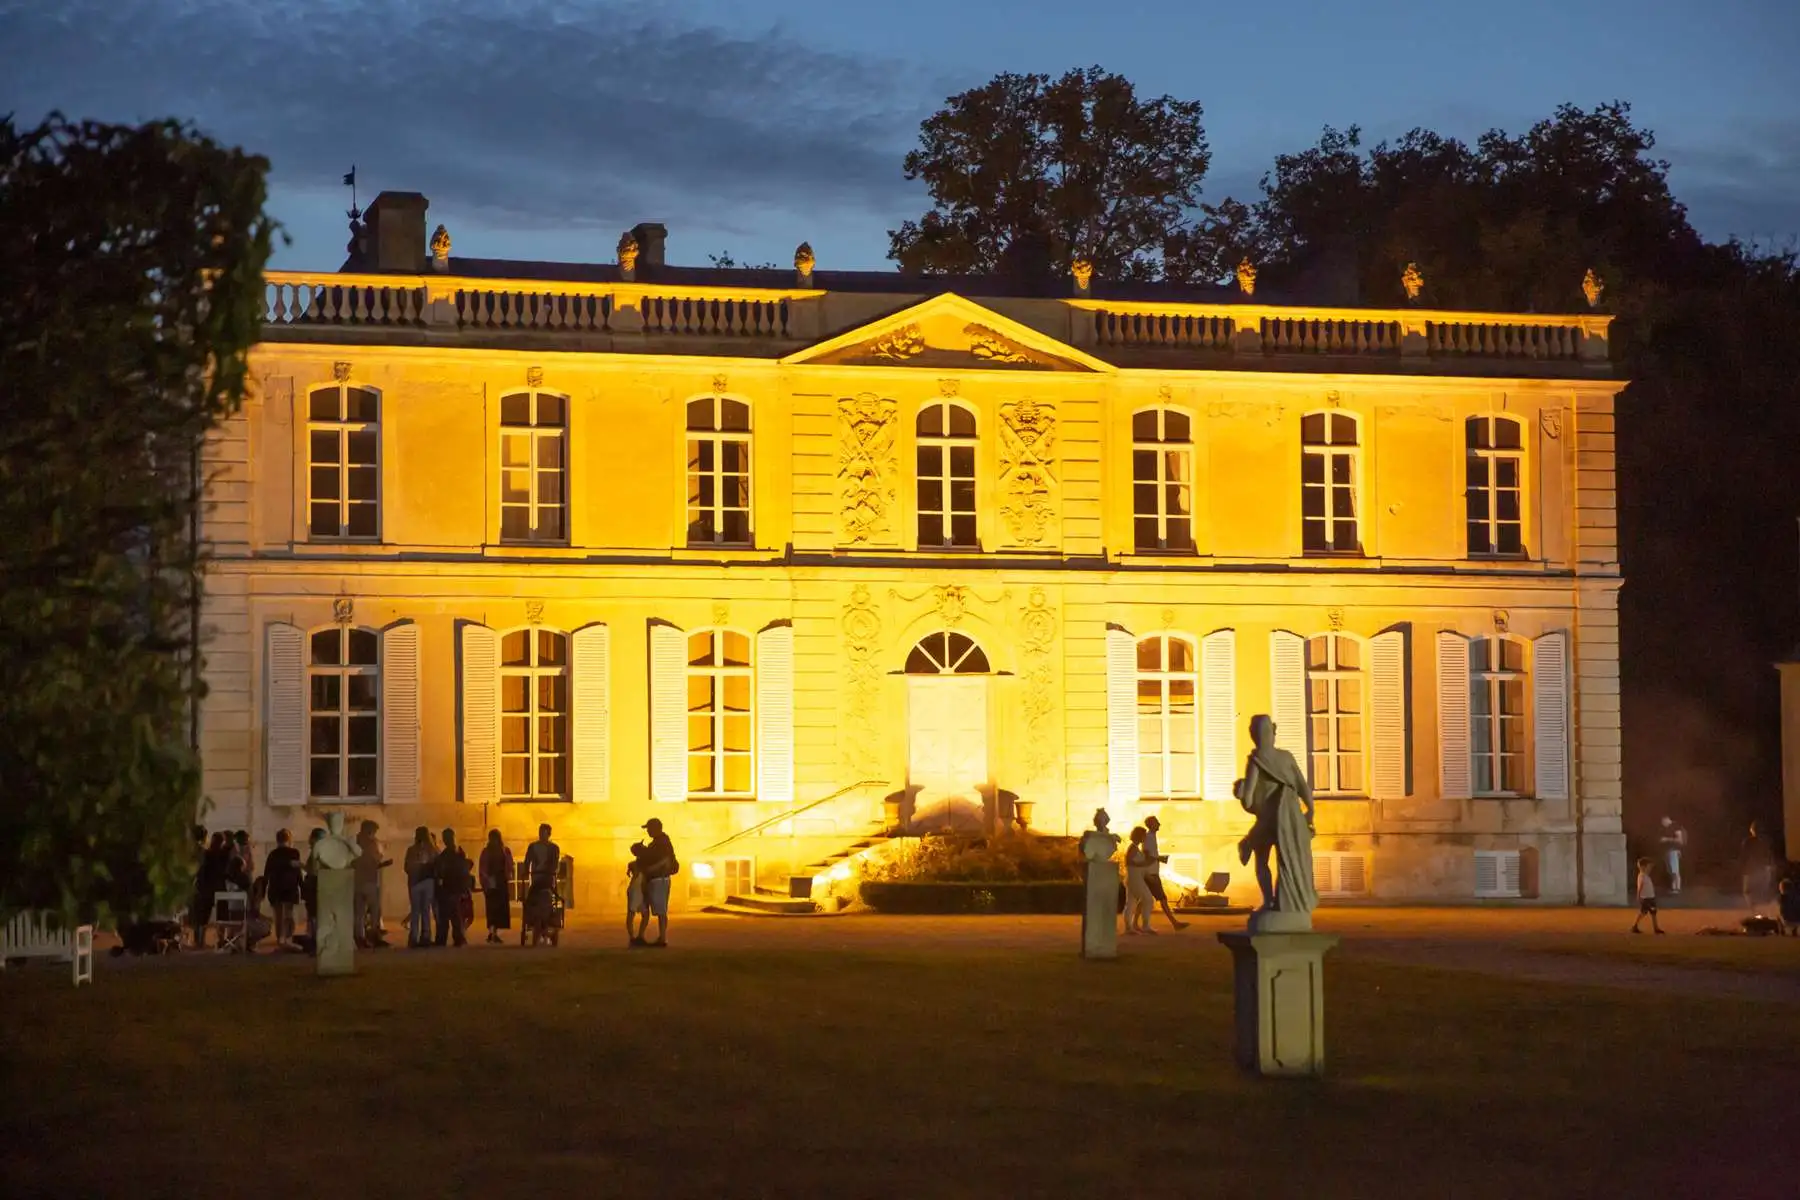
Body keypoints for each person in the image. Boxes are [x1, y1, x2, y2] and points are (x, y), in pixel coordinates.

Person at [1235, 714, 1317, 916]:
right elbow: (1302, 786)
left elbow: (1247, 801)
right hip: (1289, 819)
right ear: (1272, 732)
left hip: (1267, 821)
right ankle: (1291, 902)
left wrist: (1241, 792)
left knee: (1261, 861)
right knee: (1288, 860)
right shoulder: (1286, 757)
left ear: (1254, 735)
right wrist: (1311, 811)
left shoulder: (1256, 760)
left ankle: (1269, 901)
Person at [1140, 815, 1189, 931]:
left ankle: (1134, 924)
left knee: (1144, 899)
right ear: (1151, 824)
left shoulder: (1151, 836)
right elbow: (1146, 854)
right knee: (1162, 899)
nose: (1159, 824)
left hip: (1151, 871)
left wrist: (1158, 858)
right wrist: (1159, 859)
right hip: (1151, 873)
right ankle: (1174, 923)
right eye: (1156, 822)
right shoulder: (1148, 837)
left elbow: (1149, 854)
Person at [635, 817, 678, 948]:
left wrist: (650, 869)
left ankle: (663, 938)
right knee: (650, 908)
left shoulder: (663, 842)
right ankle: (643, 936)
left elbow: (665, 860)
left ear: (655, 829)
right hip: (654, 879)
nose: (647, 831)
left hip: (660, 879)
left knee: (661, 910)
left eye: (649, 828)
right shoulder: (657, 842)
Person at [354, 819, 392, 947]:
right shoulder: (372, 843)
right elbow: (375, 861)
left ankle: (359, 937)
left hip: (356, 880)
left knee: (359, 912)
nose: (375, 834)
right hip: (369, 880)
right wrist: (383, 861)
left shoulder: (354, 842)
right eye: (374, 831)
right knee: (375, 910)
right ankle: (375, 937)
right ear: (370, 830)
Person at [263, 830, 303, 948]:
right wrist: (302, 885)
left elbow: (267, 873)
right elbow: (297, 871)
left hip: (275, 887)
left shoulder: (272, 854)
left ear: (277, 840)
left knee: (278, 914)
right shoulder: (294, 853)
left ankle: (279, 938)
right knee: (289, 914)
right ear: (289, 839)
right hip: (290, 887)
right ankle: (288, 937)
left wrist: (263, 888)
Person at [522, 824, 562, 946]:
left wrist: (549, 871)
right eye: (540, 832)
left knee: (550, 898)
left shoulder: (554, 848)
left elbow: (554, 863)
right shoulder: (533, 847)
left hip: (547, 878)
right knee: (532, 897)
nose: (541, 835)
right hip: (537, 878)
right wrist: (525, 871)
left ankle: (547, 921)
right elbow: (527, 860)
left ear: (548, 834)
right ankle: (532, 917)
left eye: (544, 832)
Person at [433, 829, 472, 948]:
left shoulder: (447, 855)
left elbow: (440, 872)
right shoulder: (456, 853)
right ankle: (457, 938)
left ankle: (444, 939)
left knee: (448, 916)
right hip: (453, 887)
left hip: (450, 887)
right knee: (454, 915)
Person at [191, 832, 228, 948]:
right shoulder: (223, 855)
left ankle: (199, 941)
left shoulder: (206, 854)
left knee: (202, 917)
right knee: (221, 916)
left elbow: (201, 872)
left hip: (205, 889)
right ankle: (221, 940)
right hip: (218, 888)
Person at [403, 826, 438, 948]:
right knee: (425, 910)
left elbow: (406, 867)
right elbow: (437, 865)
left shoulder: (411, 850)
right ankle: (426, 936)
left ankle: (413, 937)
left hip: (414, 883)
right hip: (428, 882)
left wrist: (415, 870)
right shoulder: (432, 849)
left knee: (415, 911)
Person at [478, 830, 514, 944]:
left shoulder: (504, 850)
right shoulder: (487, 851)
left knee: (500, 909)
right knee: (491, 908)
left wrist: (509, 874)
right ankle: (492, 932)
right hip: (491, 881)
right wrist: (486, 880)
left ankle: (495, 932)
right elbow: (483, 867)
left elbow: (509, 864)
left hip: (501, 881)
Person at [1123, 826, 1156, 935]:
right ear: (1139, 835)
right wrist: (1144, 863)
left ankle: (1130, 927)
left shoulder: (1135, 848)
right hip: (1135, 878)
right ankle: (1144, 925)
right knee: (1147, 899)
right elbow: (1129, 862)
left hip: (1134, 878)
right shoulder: (1133, 848)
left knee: (1131, 902)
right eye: (1144, 835)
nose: (1145, 837)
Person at [1742, 821, 1777, 909]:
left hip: (1751, 869)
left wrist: (1743, 867)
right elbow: (1769, 854)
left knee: (1749, 890)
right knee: (1762, 889)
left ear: (1752, 830)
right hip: (1763, 869)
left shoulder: (1748, 842)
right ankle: (1763, 908)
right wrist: (1771, 865)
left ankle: (1753, 906)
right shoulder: (1766, 841)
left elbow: (1744, 856)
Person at [301, 827, 326, 946]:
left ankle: (315, 938)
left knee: (314, 913)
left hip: (314, 884)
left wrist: (300, 865)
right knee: (316, 913)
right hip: (320, 884)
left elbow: (313, 870)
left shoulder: (317, 852)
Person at [1630, 856, 1664, 934]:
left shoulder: (1645, 876)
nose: (1650, 869)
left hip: (1650, 897)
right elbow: (1640, 887)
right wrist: (1638, 895)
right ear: (1643, 867)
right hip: (1646, 898)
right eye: (1649, 866)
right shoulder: (1642, 876)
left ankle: (1655, 928)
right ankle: (1635, 926)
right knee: (1647, 912)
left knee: (1650, 912)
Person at [1658, 816, 1686, 895]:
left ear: (1666, 820)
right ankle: (1674, 888)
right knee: (1672, 871)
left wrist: (1666, 839)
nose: (1663, 825)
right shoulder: (1670, 828)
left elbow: (1680, 840)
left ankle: (1677, 888)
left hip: (1673, 851)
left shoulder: (1675, 826)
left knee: (1675, 870)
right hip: (1669, 851)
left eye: (1663, 823)